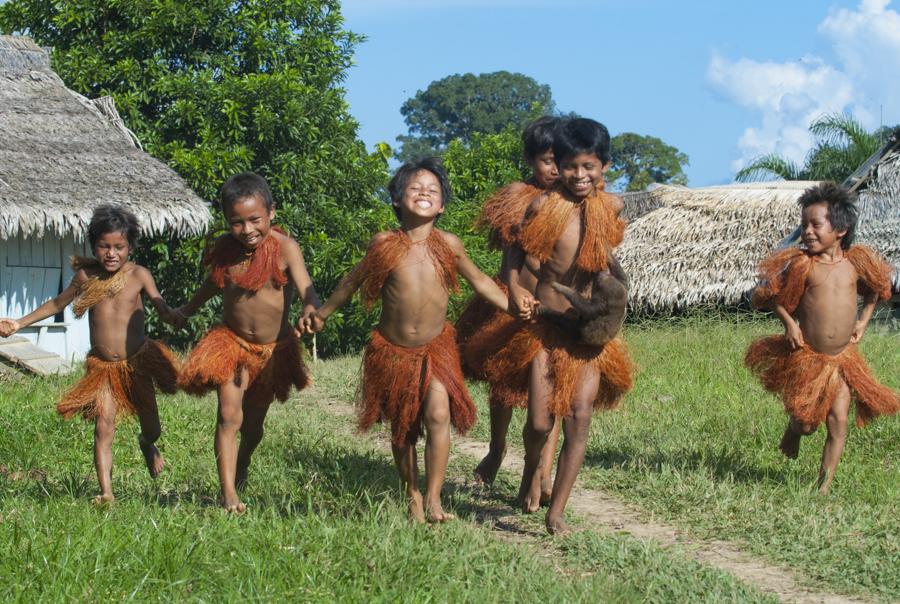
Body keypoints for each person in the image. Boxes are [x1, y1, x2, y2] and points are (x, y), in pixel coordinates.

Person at [305, 157, 526, 523]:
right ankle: (412, 493)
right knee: (403, 427)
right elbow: (351, 282)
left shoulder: (449, 245)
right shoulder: (383, 244)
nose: (424, 192)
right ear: (396, 200)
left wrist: (513, 307)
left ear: (441, 205)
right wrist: (322, 314)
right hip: (392, 350)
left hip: (436, 347)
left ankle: (436, 497)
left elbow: (482, 282)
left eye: (433, 190)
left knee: (438, 414)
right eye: (415, 188)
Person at [486, 117, 633, 534]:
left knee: (579, 417)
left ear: (604, 165)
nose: (579, 175)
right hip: (546, 330)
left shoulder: (613, 207)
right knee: (537, 423)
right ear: (559, 164)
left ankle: (557, 512)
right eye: (570, 166)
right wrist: (514, 289)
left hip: (585, 336)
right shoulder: (542, 206)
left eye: (589, 166)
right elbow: (516, 252)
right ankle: (532, 469)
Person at [0, 205, 181, 505]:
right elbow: (57, 304)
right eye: (104, 246)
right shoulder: (86, 276)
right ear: (93, 246)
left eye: (119, 247)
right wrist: (19, 323)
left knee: (153, 427)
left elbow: (161, 307)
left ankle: (146, 443)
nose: (111, 254)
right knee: (103, 425)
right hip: (103, 369)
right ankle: (106, 492)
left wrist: (174, 315)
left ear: (130, 247)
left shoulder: (139, 275)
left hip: (136, 363)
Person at [176, 172, 320, 513]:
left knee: (253, 427)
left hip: (271, 353)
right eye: (236, 223)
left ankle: (242, 464)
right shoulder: (227, 252)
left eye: (255, 220)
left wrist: (311, 310)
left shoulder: (285, 248)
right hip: (232, 344)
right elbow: (215, 284)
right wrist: (189, 308)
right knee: (229, 417)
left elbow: (306, 287)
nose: (247, 230)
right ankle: (228, 495)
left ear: (272, 212)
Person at [745, 182, 898, 493]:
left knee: (838, 421)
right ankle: (793, 428)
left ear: (840, 229)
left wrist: (863, 321)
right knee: (806, 423)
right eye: (804, 225)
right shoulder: (803, 265)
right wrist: (789, 322)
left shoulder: (856, 263)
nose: (808, 232)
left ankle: (823, 487)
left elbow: (878, 290)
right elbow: (767, 294)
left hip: (842, 359)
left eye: (816, 225)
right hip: (809, 356)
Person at [454, 116, 563, 499]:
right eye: (546, 160)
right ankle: (496, 448)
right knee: (502, 384)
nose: (554, 168)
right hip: (513, 302)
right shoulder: (518, 198)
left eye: (560, 159)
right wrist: (513, 294)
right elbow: (509, 259)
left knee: (553, 391)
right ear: (531, 160)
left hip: (557, 313)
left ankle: (542, 471)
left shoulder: (577, 204)